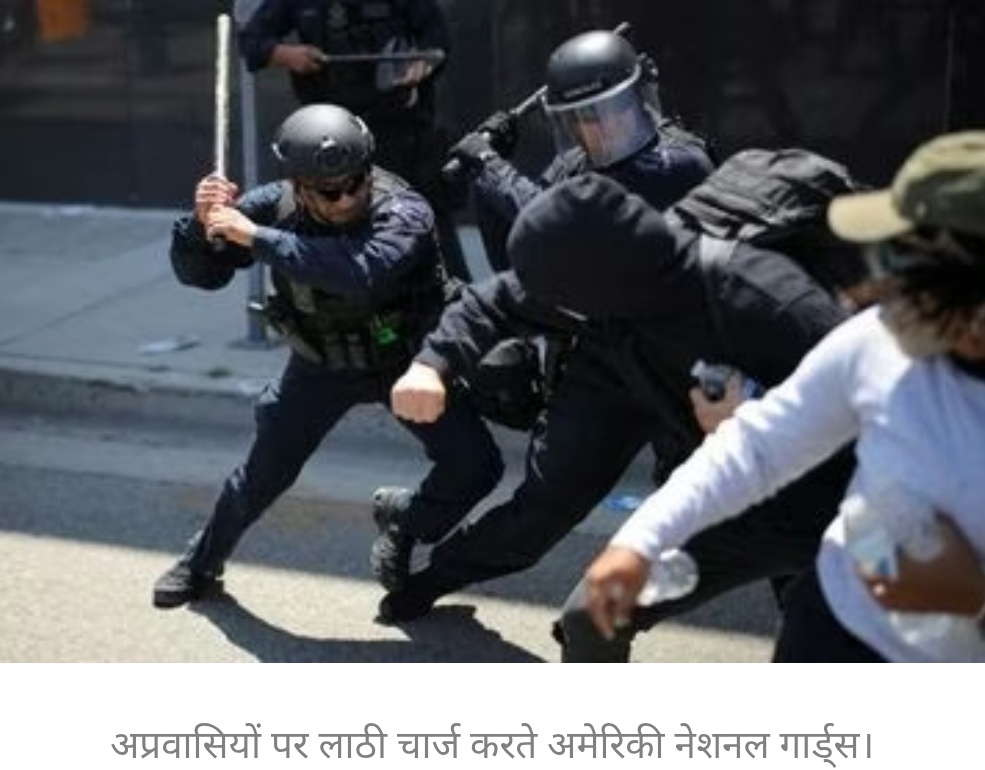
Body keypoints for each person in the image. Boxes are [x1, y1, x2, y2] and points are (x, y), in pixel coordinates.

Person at [381, 172, 854, 642]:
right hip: (621, 378)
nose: (548, 302)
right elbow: (496, 300)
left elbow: (874, 413)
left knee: (810, 599)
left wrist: (754, 414)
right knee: (558, 548)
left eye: (559, 293)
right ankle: (435, 579)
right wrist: (431, 364)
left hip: (790, 474)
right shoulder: (601, 281)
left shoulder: (769, 303)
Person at [581, 131, 985, 662]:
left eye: (902, 260)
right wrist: (641, 542)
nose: (881, 278)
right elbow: (759, 446)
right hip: (832, 621)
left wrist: (969, 598)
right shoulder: (877, 341)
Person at [152, 103, 503, 609]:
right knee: (263, 474)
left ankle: (405, 523)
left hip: (406, 362)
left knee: (475, 465)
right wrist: (198, 224)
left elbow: (358, 270)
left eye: (356, 182)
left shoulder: (405, 209)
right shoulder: (274, 206)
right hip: (320, 365)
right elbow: (202, 275)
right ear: (298, 185)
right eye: (329, 192)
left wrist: (253, 235)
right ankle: (202, 561)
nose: (347, 198)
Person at [238, 0, 470, 281]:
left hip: (402, 136)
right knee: (330, 235)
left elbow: (438, 39)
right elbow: (252, 42)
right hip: (331, 146)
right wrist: (286, 54)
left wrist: (420, 64)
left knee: (430, 238)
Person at [449, 28, 714, 273]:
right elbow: (524, 240)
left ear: (638, 98)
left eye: (615, 110)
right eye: (587, 118)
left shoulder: (677, 162)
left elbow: (557, 225)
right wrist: (487, 171)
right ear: (570, 124)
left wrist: (489, 164)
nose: (603, 129)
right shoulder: (576, 163)